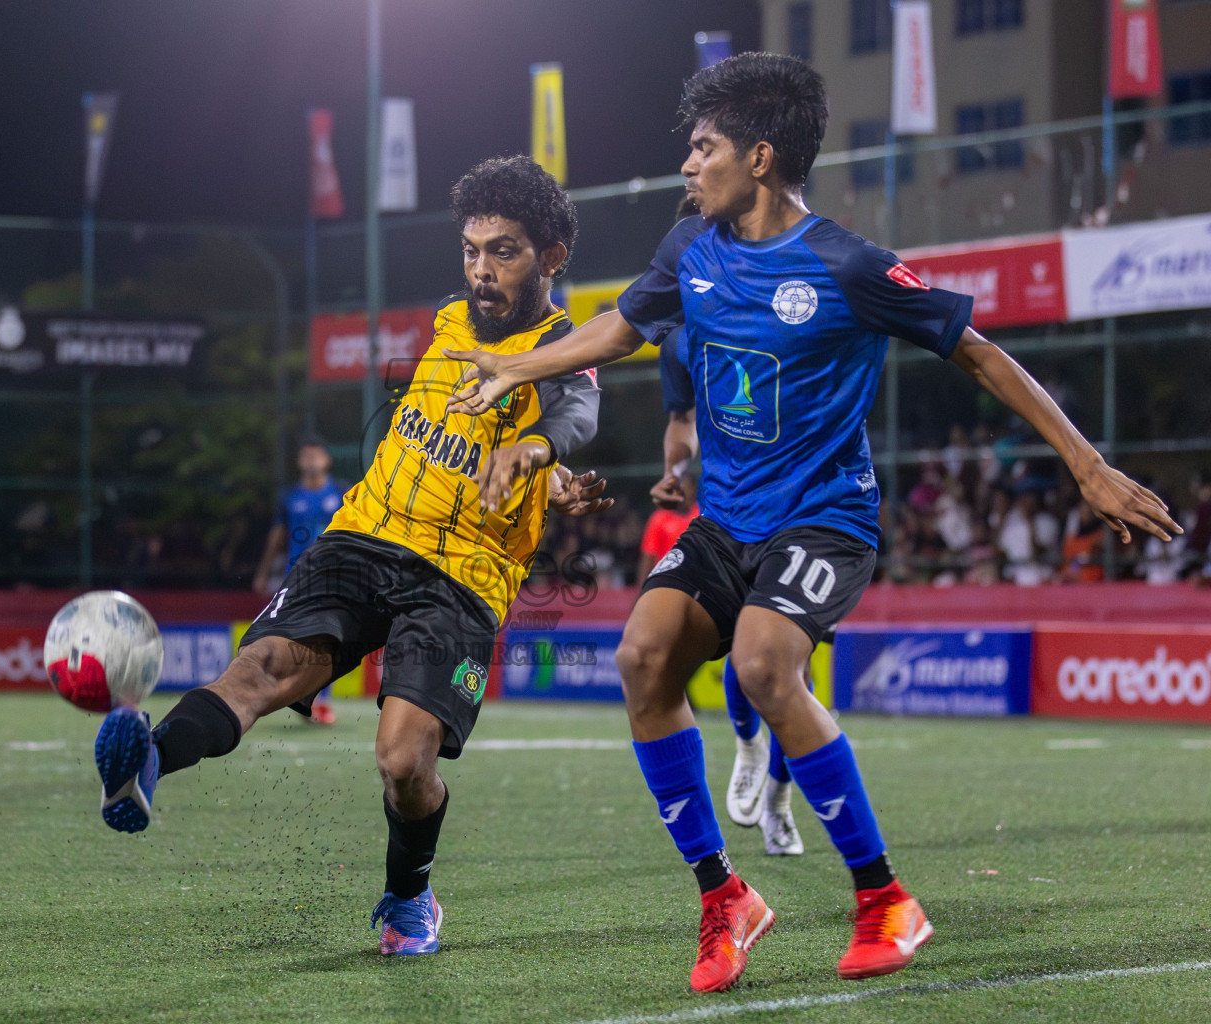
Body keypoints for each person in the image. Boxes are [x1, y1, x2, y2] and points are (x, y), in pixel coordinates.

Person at [446, 54, 1180, 991]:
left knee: (761, 662)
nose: (686, 166)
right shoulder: (689, 251)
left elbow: (982, 355)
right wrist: (519, 369)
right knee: (641, 655)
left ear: (758, 158)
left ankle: (885, 900)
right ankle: (725, 898)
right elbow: (622, 331)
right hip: (729, 522)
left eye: (702, 149)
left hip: (825, 521)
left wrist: (1088, 464)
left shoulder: (849, 265)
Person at [82, 155, 610, 956]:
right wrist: (538, 465)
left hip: (463, 577)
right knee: (259, 671)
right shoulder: (447, 323)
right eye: (470, 250)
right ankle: (146, 761)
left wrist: (541, 455)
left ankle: (410, 899)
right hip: (364, 535)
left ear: (553, 256)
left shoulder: (565, 348)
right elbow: (463, 434)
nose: (481, 269)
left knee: (402, 762)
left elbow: (575, 410)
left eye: (503, 250)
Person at [647, 242, 802, 859]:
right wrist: (675, 470)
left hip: (811, 516)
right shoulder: (678, 340)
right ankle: (746, 747)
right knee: (748, 653)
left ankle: (780, 805)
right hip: (733, 515)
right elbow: (681, 422)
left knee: (794, 679)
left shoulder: (789, 304)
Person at [251, 438, 347, 724]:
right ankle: (295, 692)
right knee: (292, 635)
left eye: (316, 455)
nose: (310, 461)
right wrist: (264, 571)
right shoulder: (289, 497)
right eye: (305, 456)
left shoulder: (342, 492)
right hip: (296, 575)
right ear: (298, 462)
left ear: (326, 460)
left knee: (328, 637)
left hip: (334, 576)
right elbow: (277, 536)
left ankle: (321, 700)